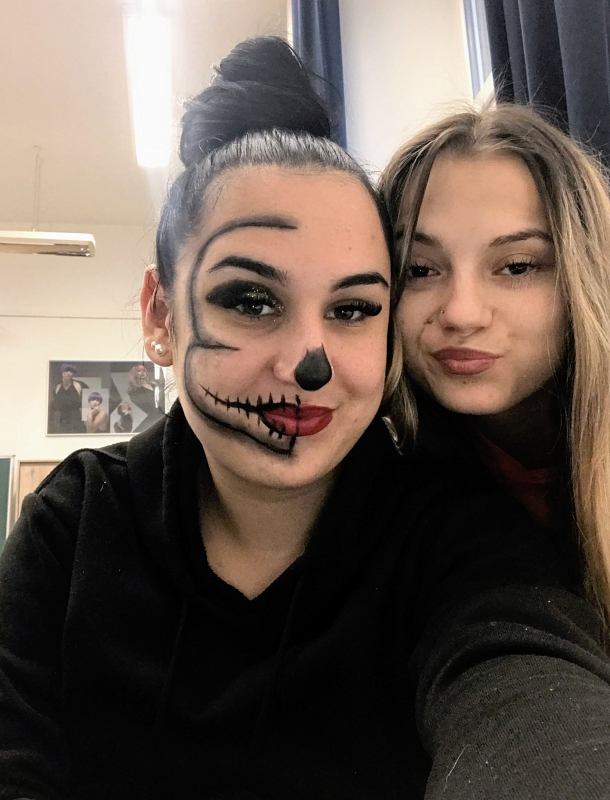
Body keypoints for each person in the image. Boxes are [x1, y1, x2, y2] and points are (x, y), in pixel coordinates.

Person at [2, 39, 610, 800]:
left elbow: (530, 698)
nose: (308, 364)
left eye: (352, 309)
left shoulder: (455, 532)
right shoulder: (75, 522)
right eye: (251, 301)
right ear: (160, 315)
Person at [380, 103, 610, 630]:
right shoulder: (381, 472)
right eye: (419, 269)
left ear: (586, 277)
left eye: (517, 266)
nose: (461, 313)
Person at [48, 362, 85, 433]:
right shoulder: (57, 387)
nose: (69, 373)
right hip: (61, 419)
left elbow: (86, 401)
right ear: (62, 373)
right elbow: (54, 404)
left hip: (76, 418)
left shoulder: (79, 385)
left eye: (71, 371)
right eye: (66, 371)